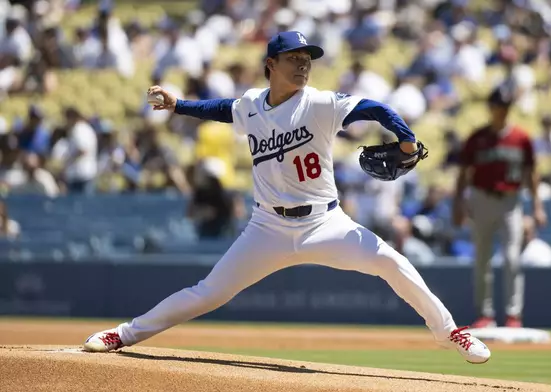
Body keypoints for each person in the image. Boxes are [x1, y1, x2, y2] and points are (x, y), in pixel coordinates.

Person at [83, 31, 490, 364]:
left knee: (391, 261)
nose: (302, 65)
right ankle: (124, 334)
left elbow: (375, 108)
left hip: (325, 223)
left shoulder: (320, 103)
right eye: (293, 58)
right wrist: (180, 105)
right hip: (267, 228)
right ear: (270, 66)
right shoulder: (251, 106)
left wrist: (406, 137)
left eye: (306, 59)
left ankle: (451, 332)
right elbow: (224, 109)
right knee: (208, 293)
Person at [452, 85, 547, 329]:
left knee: (513, 258)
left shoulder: (521, 138)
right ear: (490, 108)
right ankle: (485, 314)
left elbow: (531, 173)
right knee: (482, 259)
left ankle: (513, 314)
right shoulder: (477, 138)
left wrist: (537, 205)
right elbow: (464, 174)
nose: (501, 112)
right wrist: (458, 203)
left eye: (505, 107)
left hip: (510, 201)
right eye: (498, 107)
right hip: (481, 198)